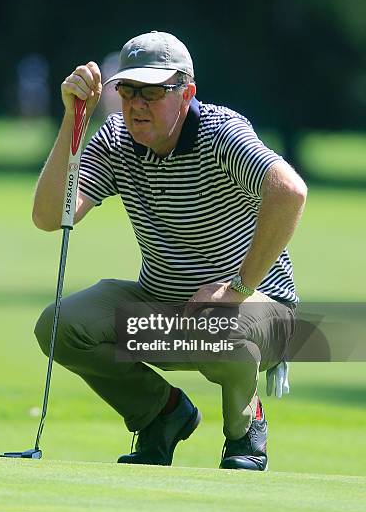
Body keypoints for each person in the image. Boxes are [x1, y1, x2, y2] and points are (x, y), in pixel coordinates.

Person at [33, 31, 307, 470]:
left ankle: (244, 430)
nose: (137, 104)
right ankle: (161, 414)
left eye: (153, 92)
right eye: (128, 90)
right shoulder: (116, 139)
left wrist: (236, 287)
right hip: (166, 313)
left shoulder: (223, 134)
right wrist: (73, 122)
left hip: (260, 314)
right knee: (60, 325)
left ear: (186, 93)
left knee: (214, 327)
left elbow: (289, 191)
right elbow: (52, 216)